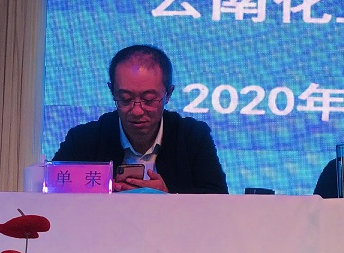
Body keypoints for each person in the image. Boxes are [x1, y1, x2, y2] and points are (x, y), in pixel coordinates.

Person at [53, 45, 228, 194]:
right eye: (125, 99)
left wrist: (169, 197)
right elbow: (53, 192)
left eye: (149, 100)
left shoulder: (192, 137)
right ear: (112, 91)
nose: (137, 111)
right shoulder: (84, 139)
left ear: (168, 94)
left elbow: (218, 200)